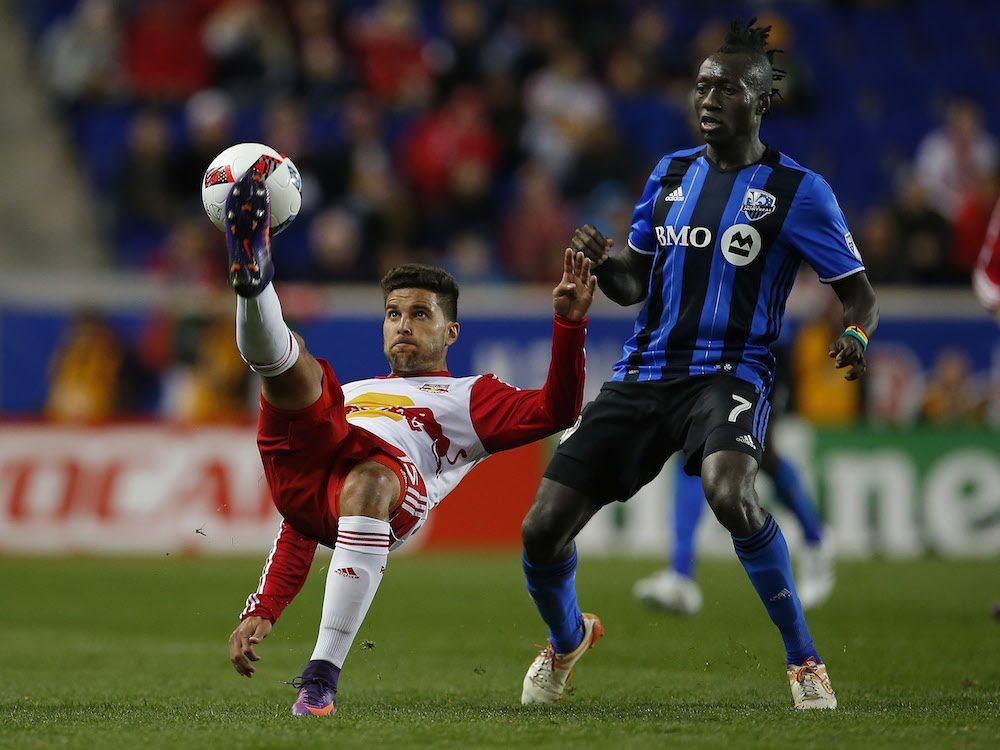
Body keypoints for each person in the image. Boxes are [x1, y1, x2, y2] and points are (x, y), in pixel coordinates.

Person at [517, 18, 878, 711]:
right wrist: (606, 262)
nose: (708, 98)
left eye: (727, 88)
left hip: (731, 373)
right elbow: (636, 284)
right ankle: (568, 639)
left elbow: (859, 293)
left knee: (731, 492)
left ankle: (804, 661)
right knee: (541, 529)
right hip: (646, 371)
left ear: (762, 100)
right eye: (701, 86)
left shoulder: (801, 191)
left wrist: (856, 336)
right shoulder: (671, 173)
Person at [221, 164, 596, 716]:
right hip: (310, 475)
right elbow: (299, 523)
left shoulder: (472, 396)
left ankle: (320, 677)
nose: (403, 325)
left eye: (421, 315)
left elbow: (557, 410)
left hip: (390, 489)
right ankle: (253, 284)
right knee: (288, 367)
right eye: (394, 313)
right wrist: (266, 606)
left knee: (366, 476)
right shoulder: (353, 391)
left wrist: (568, 326)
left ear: (451, 332)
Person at [634, 348, 834, 615]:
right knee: (691, 453)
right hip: (704, 351)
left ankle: (815, 540)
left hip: (756, 351)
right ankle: (681, 574)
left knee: (765, 454)